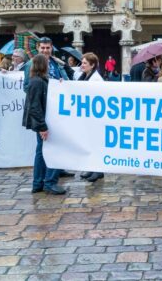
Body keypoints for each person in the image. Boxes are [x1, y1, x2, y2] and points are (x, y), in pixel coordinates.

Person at [22, 54, 66, 195]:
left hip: (43, 122)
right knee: (52, 150)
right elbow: (35, 107)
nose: (49, 65)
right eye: (47, 63)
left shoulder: (41, 80)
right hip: (42, 123)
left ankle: (39, 183)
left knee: (41, 152)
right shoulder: (36, 82)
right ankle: (49, 182)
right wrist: (42, 127)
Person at [75, 53, 105, 183]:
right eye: (82, 63)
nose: (82, 65)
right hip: (86, 117)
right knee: (90, 144)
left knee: (96, 144)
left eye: (85, 63)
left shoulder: (96, 79)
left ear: (92, 65)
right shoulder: (84, 76)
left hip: (95, 118)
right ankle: (91, 168)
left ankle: (98, 171)